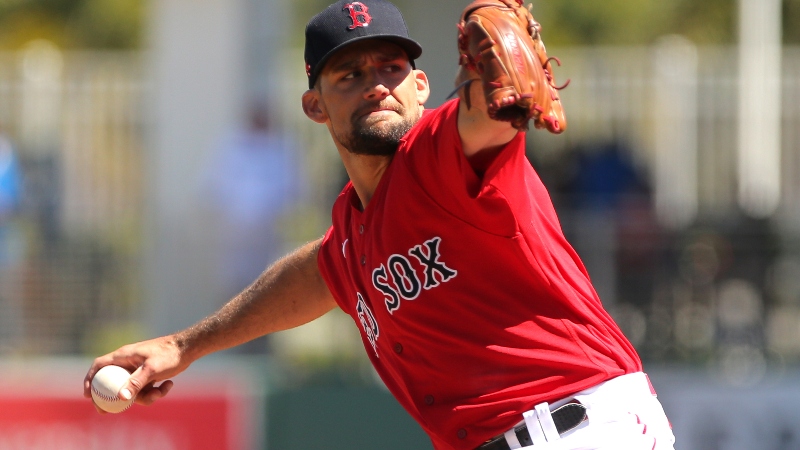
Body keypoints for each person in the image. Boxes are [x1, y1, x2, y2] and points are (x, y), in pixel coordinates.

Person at [84, 1, 675, 449]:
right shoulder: (352, 229)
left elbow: (486, 120)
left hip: (578, 429)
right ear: (315, 105)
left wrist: (494, 94)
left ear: (421, 86)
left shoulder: (443, 152)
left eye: (391, 68)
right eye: (349, 75)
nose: (376, 85)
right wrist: (182, 346)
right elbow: (316, 275)